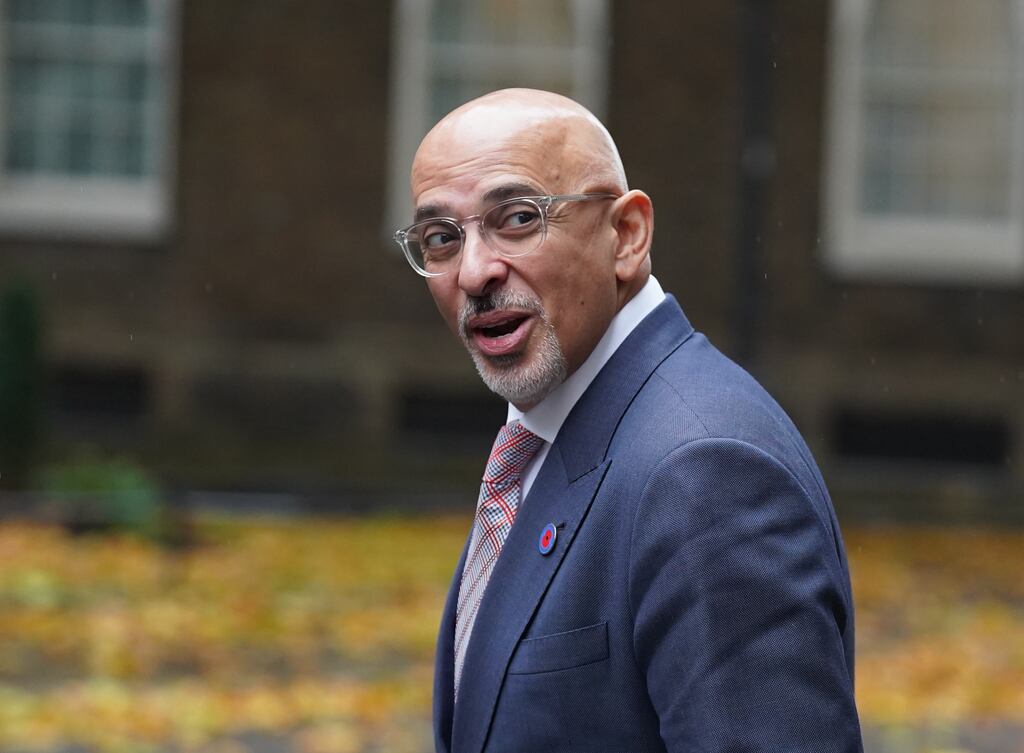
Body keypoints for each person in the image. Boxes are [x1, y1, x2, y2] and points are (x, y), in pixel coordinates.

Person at [394, 88, 863, 753]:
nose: (474, 272)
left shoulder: (704, 470)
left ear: (627, 235)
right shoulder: (556, 434)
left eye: (518, 219)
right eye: (442, 238)